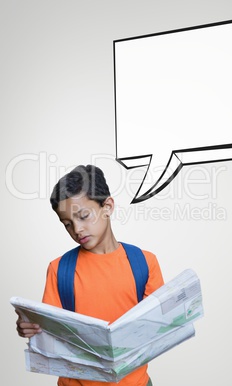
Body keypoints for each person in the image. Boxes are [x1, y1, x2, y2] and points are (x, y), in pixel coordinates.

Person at [15, 164, 164, 386]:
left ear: (108, 206)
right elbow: (49, 334)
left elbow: (160, 328)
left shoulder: (144, 263)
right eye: (67, 224)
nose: (77, 229)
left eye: (84, 216)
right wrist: (29, 327)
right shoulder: (59, 270)